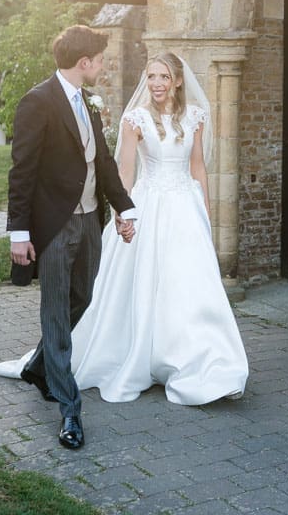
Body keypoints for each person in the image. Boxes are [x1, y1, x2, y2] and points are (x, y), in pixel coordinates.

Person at [69, 52, 248, 405]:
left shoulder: (195, 117)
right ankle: (142, 353)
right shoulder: (134, 120)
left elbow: (198, 168)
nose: (156, 84)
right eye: (151, 77)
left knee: (188, 284)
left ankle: (197, 357)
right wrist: (124, 213)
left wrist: (206, 213)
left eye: (163, 77)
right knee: (146, 280)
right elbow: (125, 173)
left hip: (185, 207)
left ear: (177, 81)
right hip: (148, 205)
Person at [3, 25, 137, 450]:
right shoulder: (37, 102)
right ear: (84, 63)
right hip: (56, 226)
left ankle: (38, 367)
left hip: (90, 220)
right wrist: (20, 233)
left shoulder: (87, 101)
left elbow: (103, 162)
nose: (102, 65)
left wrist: (124, 207)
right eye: (99, 59)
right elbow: (21, 172)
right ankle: (69, 409)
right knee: (56, 312)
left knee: (84, 298)